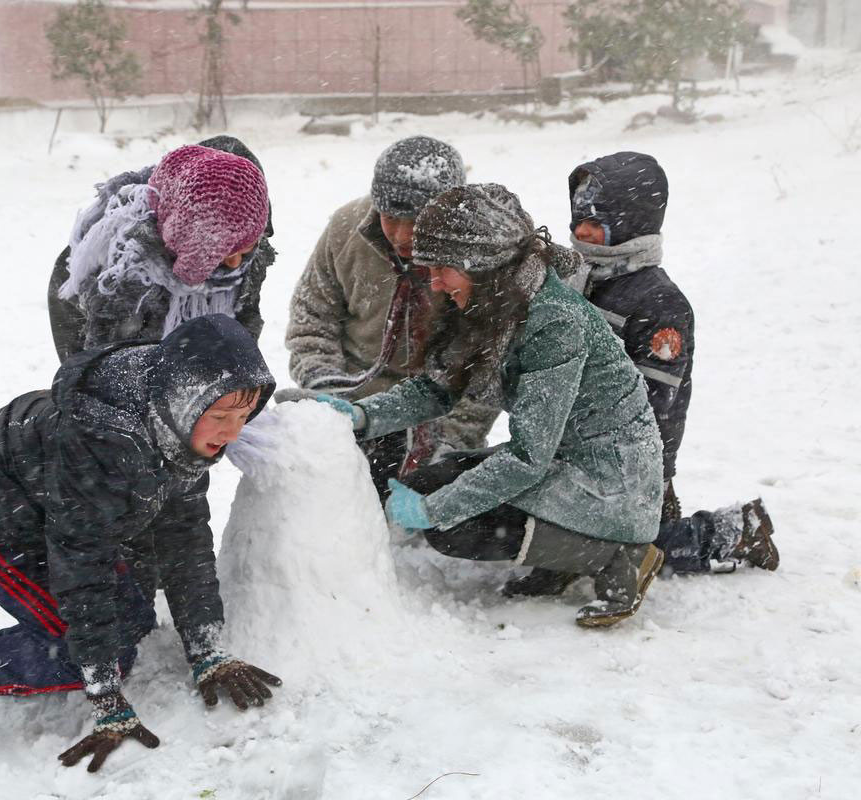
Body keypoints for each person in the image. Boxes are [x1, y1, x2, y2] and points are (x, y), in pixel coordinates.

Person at [0, 315, 282, 772]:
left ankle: (17, 645)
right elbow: (81, 565)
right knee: (77, 657)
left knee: (129, 623)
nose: (232, 432)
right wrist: (106, 698)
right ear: (184, 401)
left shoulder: (177, 426)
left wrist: (208, 649)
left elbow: (184, 538)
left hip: (54, 512)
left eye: (241, 415)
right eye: (219, 416)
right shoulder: (103, 444)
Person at [316, 184, 666, 627]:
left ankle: (617, 555)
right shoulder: (490, 302)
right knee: (429, 485)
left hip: (610, 477)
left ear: (483, 264)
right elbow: (438, 389)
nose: (434, 281)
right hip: (563, 454)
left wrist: (436, 511)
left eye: (443, 268)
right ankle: (563, 552)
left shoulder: (553, 321)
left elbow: (528, 457)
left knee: (455, 525)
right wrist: (366, 415)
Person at [566, 152, 778, 578]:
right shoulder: (581, 277)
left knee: (629, 554)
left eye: (597, 222)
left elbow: (656, 403)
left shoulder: (657, 302)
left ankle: (732, 532)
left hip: (633, 458)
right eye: (578, 221)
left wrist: (653, 477)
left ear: (631, 223)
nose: (582, 232)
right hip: (579, 444)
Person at [284, 136, 499, 500]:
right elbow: (311, 320)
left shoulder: (483, 257)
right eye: (389, 218)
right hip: (356, 404)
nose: (401, 235)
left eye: (413, 222)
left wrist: (452, 442)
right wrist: (330, 397)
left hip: (440, 410)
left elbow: (487, 368)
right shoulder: (344, 230)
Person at [48, 138, 274, 362]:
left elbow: (241, 334)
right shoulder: (109, 280)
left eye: (246, 250)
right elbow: (95, 377)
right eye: (226, 254)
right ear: (189, 245)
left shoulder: (244, 239)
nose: (236, 264)